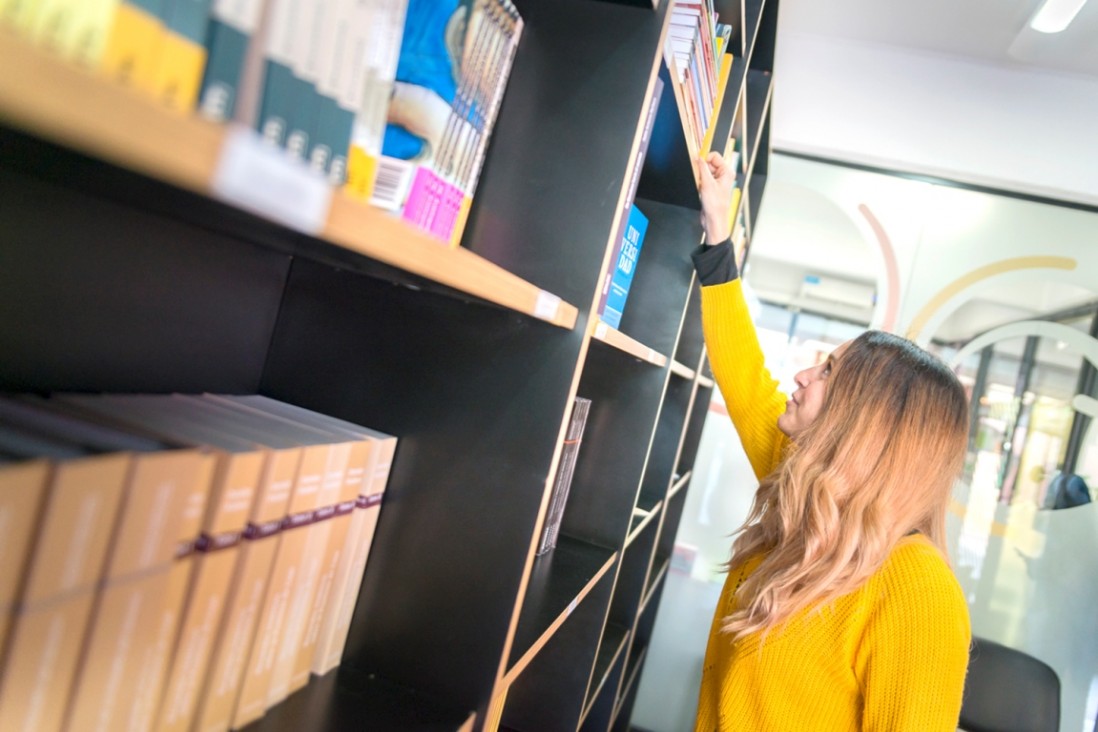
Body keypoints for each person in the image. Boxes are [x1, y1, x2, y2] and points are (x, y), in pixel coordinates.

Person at [688, 152, 972, 731]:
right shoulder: (809, 494)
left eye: (827, 374)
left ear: (866, 421)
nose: (801, 377)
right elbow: (744, 376)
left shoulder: (916, 590)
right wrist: (719, 232)